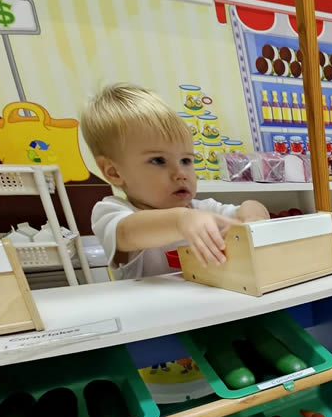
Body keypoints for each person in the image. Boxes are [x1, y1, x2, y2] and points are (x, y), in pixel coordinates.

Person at [80, 83, 268, 279]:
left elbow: (252, 207)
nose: (180, 173)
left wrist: (252, 218)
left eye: (186, 160)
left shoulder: (200, 209)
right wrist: (180, 221)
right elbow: (127, 234)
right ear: (114, 172)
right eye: (158, 160)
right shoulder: (112, 212)